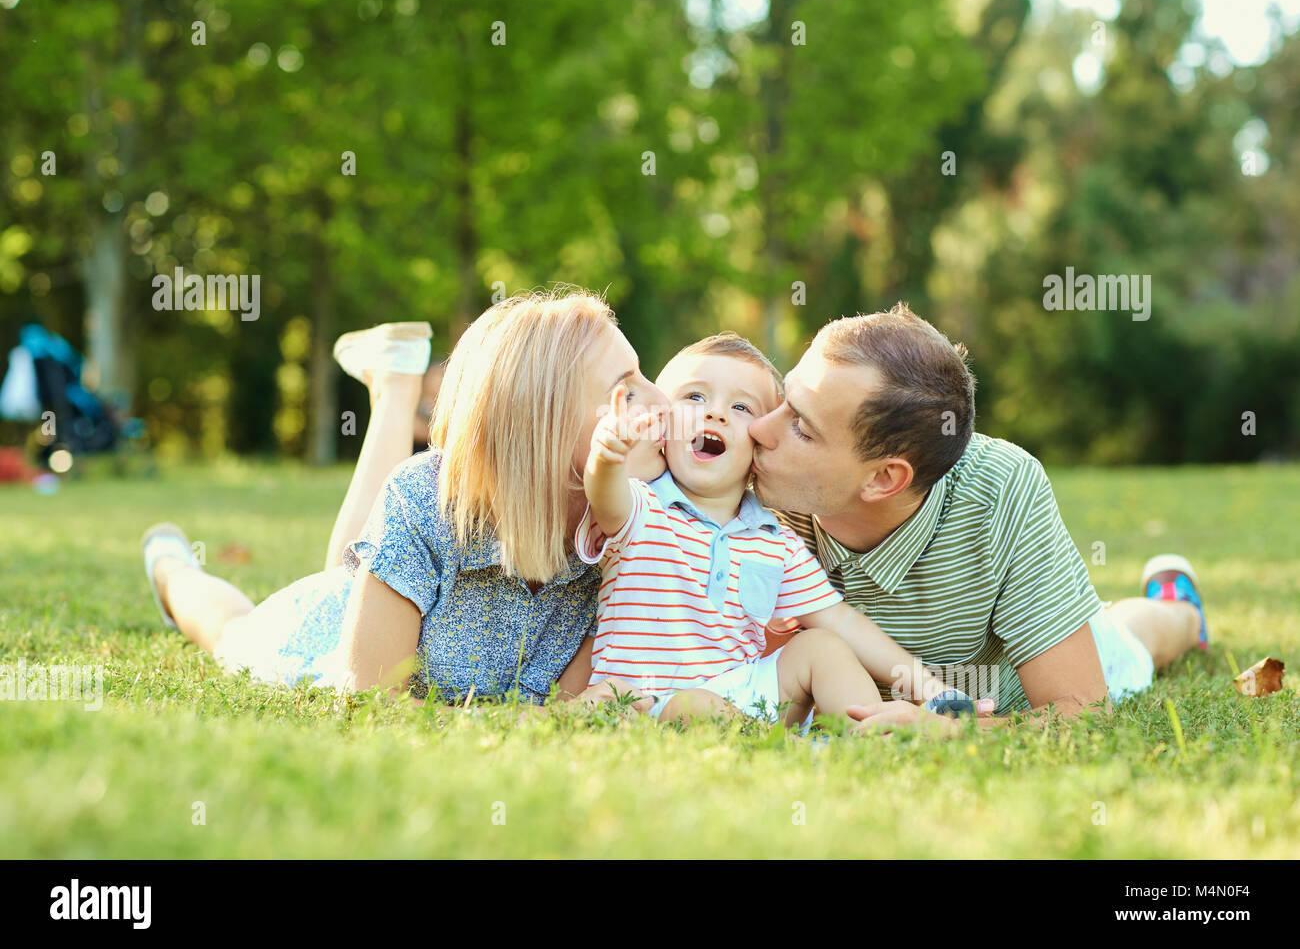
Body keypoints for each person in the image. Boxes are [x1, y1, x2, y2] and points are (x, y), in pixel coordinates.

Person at [140, 288, 670, 704]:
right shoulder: (426, 500)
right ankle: (172, 569)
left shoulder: (639, 523)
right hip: (323, 638)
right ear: (538, 429)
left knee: (351, 563)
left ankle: (393, 381)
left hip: (384, 590)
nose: (661, 400)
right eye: (627, 390)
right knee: (234, 632)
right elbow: (370, 698)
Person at [748, 303, 1209, 731]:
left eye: (801, 429)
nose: (758, 429)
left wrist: (950, 733)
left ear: (884, 478)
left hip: (1013, 683)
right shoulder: (744, 481)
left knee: (1129, 638)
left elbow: (1081, 710)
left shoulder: (1000, 489)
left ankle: (1181, 608)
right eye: (782, 401)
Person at [578, 332, 986, 732]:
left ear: (760, 442)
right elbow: (608, 499)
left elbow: (840, 620)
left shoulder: (774, 539)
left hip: (742, 691)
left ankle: (869, 737)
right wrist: (608, 456)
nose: (715, 413)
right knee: (695, 706)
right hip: (645, 701)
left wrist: (931, 689)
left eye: (741, 407)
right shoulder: (644, 508)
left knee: (823, 647)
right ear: (662, 427)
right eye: (694, 397)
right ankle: (782, 754)